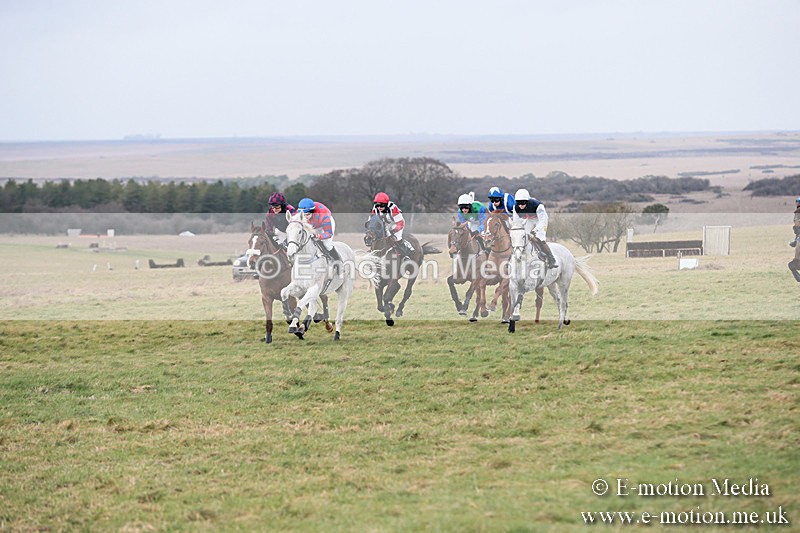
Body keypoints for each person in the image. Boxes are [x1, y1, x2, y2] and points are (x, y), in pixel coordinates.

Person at [513, 188, 556, 268]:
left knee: (540, 238)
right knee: (524, 236)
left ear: (528, 201)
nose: (521, 205)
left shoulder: (538, 206)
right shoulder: (515, 208)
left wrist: (536, 230)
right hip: (529, 220)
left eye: (523, 202)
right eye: (519, 202)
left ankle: (551, 259)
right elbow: (516, 222)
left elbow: (542, 220)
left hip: (540, 220)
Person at [296, 197, 342, 267]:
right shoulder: (299, 214)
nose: (305, 217)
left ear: (312, 212)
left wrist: (318, 236)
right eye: (303, 215)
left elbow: (329, 234)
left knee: (327, 244)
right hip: (313, 224)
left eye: (307, 214)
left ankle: (338, 263)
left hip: (323, 224)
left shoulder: (324, 217)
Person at [371, 192, 414, 258]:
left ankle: (405, 254)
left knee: (396, 238)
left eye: (382, 205)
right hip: (384, 224)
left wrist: (394, 230)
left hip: (396, 223)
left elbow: (400, 222)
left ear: (386, 204)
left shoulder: (393, 208)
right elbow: (372, 221)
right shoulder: (375, 208)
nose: (379, 207)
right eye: (377, 204)